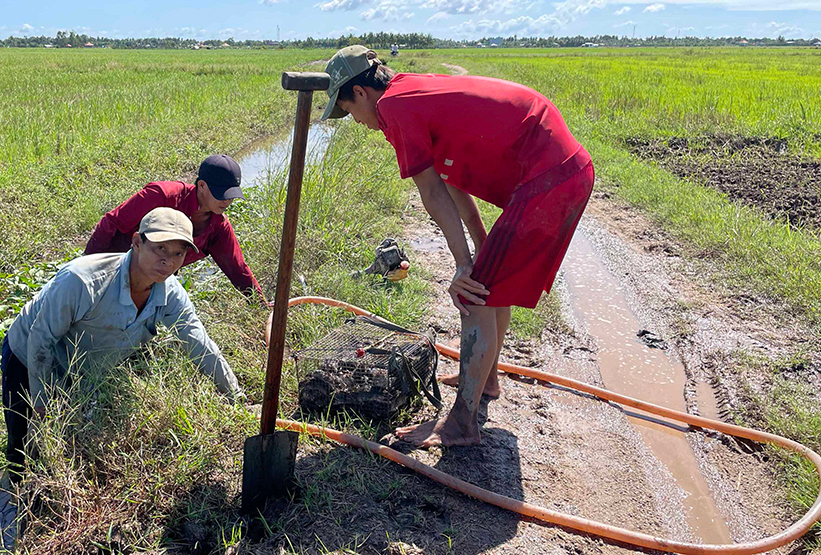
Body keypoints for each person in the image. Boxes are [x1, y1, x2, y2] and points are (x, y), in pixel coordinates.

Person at [322, 46, 594, 447]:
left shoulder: (394, 107)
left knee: (473, 295)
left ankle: (461, 424)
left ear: (360, 93)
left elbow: (430, 191)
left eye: (347, 110)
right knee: (488, 283)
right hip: (556, 170)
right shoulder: (410, 92)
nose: (356, 121)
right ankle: (487, 381)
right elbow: (450, 181)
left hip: (550, 176)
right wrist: (480, 247)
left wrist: (463, 266)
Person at [1, 207, 245, 470]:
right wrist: (41, 403)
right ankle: (16, 484)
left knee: (70, 436)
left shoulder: (170, 292)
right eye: (160, 249)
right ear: (137, 242)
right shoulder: (83, 280)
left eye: (178, 253)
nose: (168, 262)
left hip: (83, 361)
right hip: (27, 354)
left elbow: (200, 344)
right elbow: (41, 340)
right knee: (23, 440)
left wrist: (236, 398)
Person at [84, 154, 266, 304]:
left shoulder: (218, 227)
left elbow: (238, 269)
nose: (227, 201)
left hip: (152, 282)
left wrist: (261, 305)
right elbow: (112, 222)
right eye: (222, 195)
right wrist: (88, 268)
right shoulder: (162, 196)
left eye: (231, 196)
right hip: (113, 267)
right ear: (202, 186)